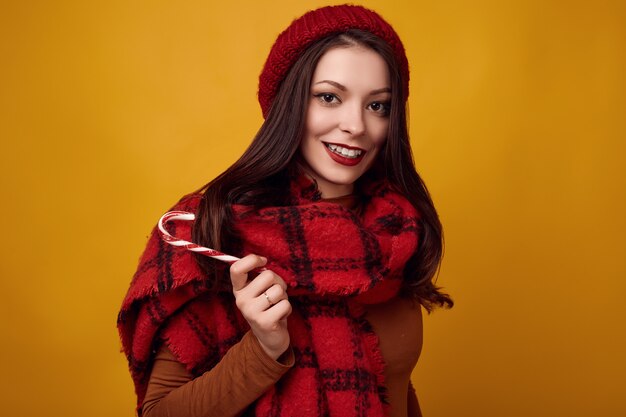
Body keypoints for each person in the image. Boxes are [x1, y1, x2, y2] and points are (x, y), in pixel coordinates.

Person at [118, 4, 452, 417]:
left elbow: (393, 388)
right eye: (329, 97)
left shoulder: (397, 232)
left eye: (377, 105)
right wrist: (262, 348)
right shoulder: (213, 231)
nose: (356, 125)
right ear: (288, 103)